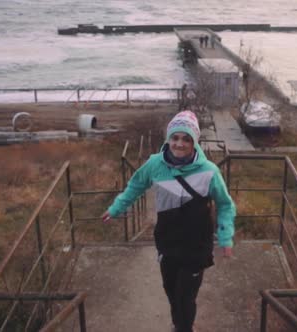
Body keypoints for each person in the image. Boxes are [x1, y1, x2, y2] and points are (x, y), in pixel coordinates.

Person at [101, 111, 236, 332]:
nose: (179, 144)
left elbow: (225, 204)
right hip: (167, 240)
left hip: (196, 245)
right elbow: (136, 185)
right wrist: (116, 208)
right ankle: (180, 325)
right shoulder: (155, 164)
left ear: (194, 142)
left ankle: (184, 328)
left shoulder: (209, 172)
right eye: (175, 138)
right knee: (171, 290)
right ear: (168, 139)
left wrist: (225, 237)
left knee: (185, 296)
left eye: (186, 139)